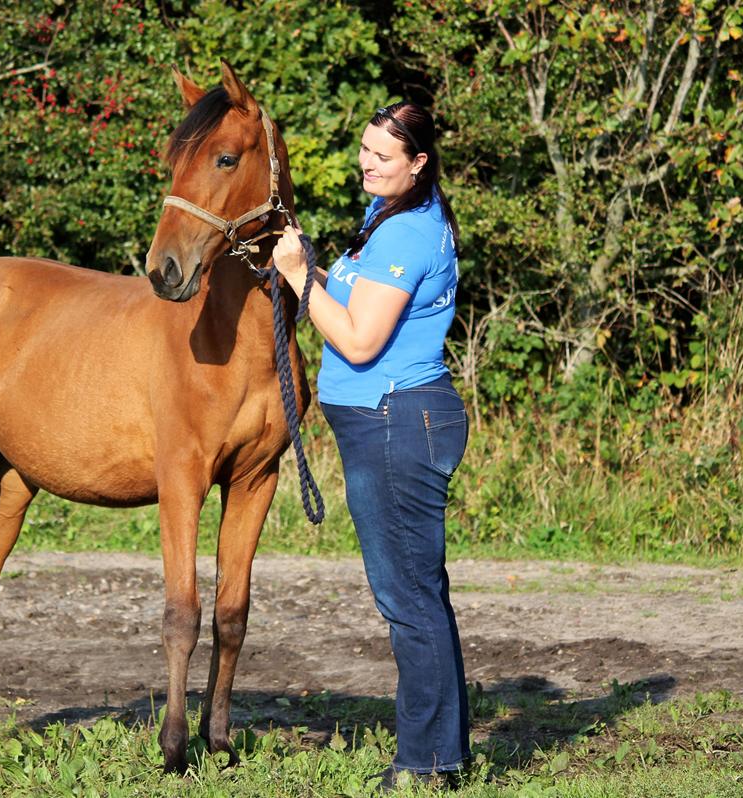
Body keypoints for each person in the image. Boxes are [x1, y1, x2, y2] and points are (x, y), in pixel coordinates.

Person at [273, 101, 469, 789]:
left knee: (407, 601)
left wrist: (301, 279)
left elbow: (357, 339)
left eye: (382, 155)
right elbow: (352, 307)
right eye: (364, 149)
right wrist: (303, 271)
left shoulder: (408, 236)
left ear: (417, 163)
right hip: (393, 424)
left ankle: (425, 764)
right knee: (421, 595)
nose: (366, 163)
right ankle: (442, 755)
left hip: (397, 426)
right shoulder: (391, 218)